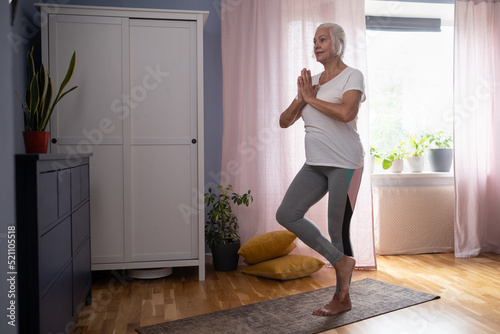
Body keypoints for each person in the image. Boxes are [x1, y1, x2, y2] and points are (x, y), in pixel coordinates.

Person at [276, 23, 366, 316]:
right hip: (315, 164)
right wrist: (302, 98)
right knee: (287, 214)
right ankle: (341, 260)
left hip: (345, 164)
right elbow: (284, 121)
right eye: (314, 40)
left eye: (323, 39)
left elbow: (346, 113)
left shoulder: (353, 76)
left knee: (337, 230)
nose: (316, 44)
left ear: (339, 42)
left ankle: (342, 299)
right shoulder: (310, 83)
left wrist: (312, 99)